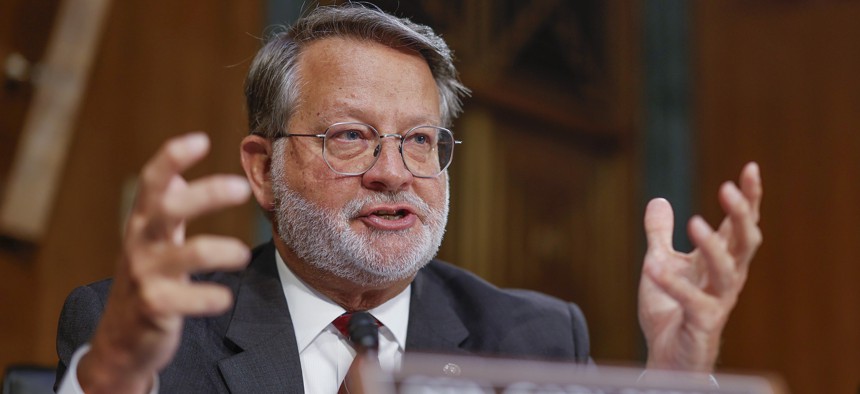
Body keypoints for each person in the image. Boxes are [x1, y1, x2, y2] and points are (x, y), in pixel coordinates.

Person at [54, 4, 763, 393]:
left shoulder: (534, 340)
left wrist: (677, 377)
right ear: (264, 169)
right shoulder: (153, 340)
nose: (394, 172)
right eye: (352, 137)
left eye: (420, 141)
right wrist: (114, 378)